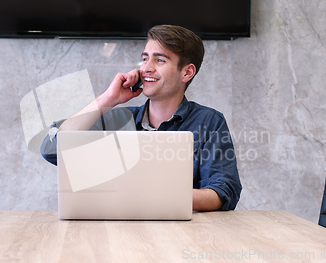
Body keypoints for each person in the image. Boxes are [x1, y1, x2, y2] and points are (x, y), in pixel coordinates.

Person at [41, 25, 241, 211]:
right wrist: (108, 99)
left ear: (187, 72)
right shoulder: (117, 120)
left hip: (179, 236)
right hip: (114, 232)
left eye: (159, 60)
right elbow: (52, 149)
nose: (146, 68)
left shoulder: (209, 122)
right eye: (145, 58)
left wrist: (162, 196)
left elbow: (224, 192)